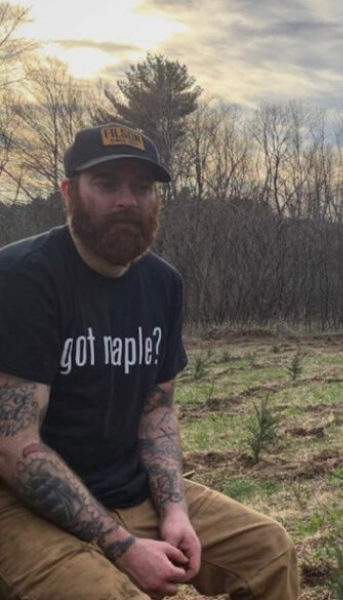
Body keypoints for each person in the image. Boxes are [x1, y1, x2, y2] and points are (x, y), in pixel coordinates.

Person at [0, 124, 299, 599]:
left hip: (129, 489)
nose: (127, 201)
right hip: (21, 509)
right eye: (106, 184)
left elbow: (156, 411)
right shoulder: (22, 278)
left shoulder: (162, 283)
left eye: (142, 187)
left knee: (270, 552)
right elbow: (13, 445)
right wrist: (122, 547)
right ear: (68, 192)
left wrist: (175, 510)